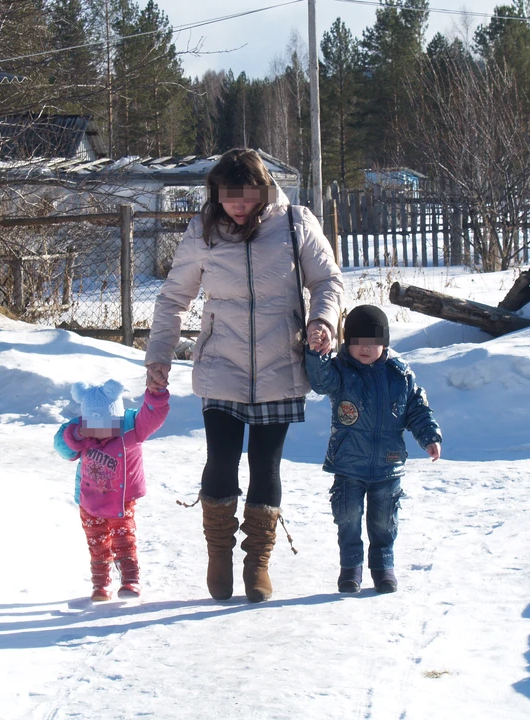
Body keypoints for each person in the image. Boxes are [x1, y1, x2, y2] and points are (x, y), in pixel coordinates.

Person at [145, 148, 344, 603]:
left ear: (263, 187)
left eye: (246, 193)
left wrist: (323, 322)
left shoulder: (295, 222)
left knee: (265, 464)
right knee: (220, 460)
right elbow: (173, 298)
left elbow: (328, 281)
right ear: (215, 193)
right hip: (222, 365)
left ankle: (258, 561)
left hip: (281, 362)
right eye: (227, 195)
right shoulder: (203, 230)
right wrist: (159, 355)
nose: (237, 203)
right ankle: (219, 554)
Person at [305, 304, 442, 594]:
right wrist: (318, 354)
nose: (364, 350)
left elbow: (417, 409)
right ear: (348, 343)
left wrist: (429, 436)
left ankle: (383, 567)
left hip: (388, 464)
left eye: (373, 344)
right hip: (348, 463)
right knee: (347, 516)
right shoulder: (340, 371)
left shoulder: (399, 375)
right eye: (357, 343)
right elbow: (319, 381)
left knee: (384, 520)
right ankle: (350, 567)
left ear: (385, 343)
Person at [54, 379, 170, 601]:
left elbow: (153, 416)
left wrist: (156, 395)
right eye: (94, 425)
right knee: (96, 542)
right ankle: (100, 584)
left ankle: (130, 580)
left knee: (123, 537)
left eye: (107, 424)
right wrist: (76, 434)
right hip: (89, 499)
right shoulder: (81, 429)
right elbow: (62, 447)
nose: (100, 432)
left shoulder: (132, 426)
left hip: (121, 499)